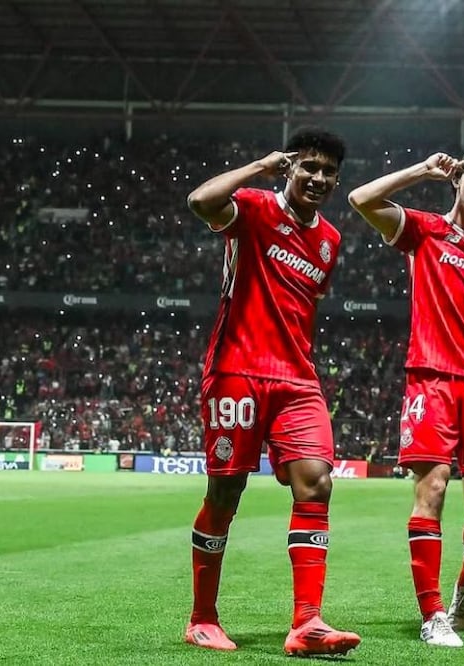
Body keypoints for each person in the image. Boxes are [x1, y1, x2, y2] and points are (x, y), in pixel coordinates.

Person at [183, 127, 360, 656]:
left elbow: (307, 301)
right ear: (290, 169)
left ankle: (307, 622)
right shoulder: (255, 208)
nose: (319, 178)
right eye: (309, 167)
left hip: (298, 379)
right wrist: (259, 166)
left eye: (328, 171)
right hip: (236, 369)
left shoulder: (330, 239)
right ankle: (201, 618)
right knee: (225, 494)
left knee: (317, 484)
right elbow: (200, 201)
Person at [347, 147, 464, 647]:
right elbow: (361, 198)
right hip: (431, 376)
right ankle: (432, 615)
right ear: (458, 179)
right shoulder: (424, 230)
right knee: (432, 489)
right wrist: (421, 170)